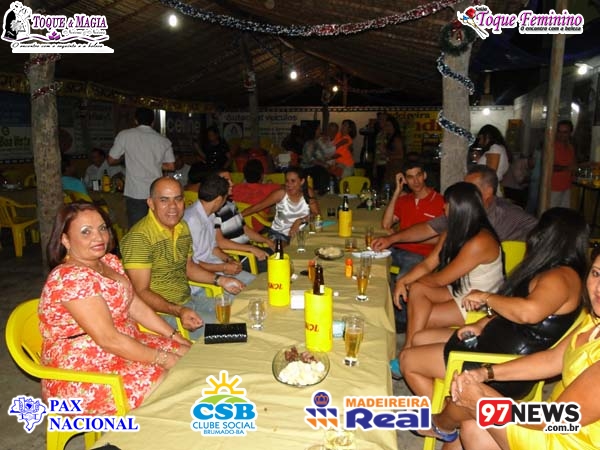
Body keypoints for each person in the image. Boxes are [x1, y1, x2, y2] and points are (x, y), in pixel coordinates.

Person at [417, 231, 594, 450]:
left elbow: (562, 417)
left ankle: (441, 422)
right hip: (555, 423)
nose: (599, 287)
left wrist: (485, 405)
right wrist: (486, 373)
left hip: (563, 438)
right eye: (596, 273)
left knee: (474, 407)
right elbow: (550, 360)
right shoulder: (592, 324)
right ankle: (445, 421)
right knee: (471, 419)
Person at [401, 207, 588, 408]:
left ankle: (445, 415)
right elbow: (514, 307)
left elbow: (528, 313)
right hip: (497, 341)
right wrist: (481, 324)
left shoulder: (560, 278)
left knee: (408, 360)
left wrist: (487, 298)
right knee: (420, 338)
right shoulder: (552, 270)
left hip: (504, 364)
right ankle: (451, 400)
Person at [39, 202, 191, 415]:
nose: (99, 237)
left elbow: (134, 304)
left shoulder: (108, 262)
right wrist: (163, 358)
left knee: (190, 357)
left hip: (123, 344)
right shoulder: (69, 279)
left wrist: (173, 336)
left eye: (102, 228)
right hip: (82, 369)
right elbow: (108, 339)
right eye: (86, 232)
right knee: (168, 383)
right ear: (65, 240)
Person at [119, 177, 244, 340]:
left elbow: (189, 268)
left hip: (189, 301)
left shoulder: (182, 227)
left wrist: (221, 280)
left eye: (177, 199)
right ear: (151, 203)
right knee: (231, 333)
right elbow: (140, 292)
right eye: (164, 200)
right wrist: (179, 311)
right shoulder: (139, 237)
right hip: (161, 315)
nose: (173, 206)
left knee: (244, 312)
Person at [393, 182, 504, 350]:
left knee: (420, 318)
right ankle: (409, 349)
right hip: (459, 290)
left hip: (478, 301)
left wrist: (408, 282)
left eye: (447, 204)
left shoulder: (480, 241)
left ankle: (409, 351)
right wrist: (403, 281)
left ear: (459, 208)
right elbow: (428, 264)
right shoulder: (453, 232)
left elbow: (440, 279)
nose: (443, 207)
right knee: (417, 291)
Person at [371, 165, 537, 252]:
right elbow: (428, 228)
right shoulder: (467, 208)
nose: (463, 191)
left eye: (469, 188)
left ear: (488, 192)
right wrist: (391, 239)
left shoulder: (502, 214)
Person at [108, 107, 175, 228]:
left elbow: (111, 160)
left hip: (135, 192)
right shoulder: (164, 140)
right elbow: (171, 166)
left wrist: (126, 158)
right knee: (157, 228)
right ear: (153, 122)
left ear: (135, 120)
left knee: (137, 229)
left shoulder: (125, 135)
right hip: (157, 192)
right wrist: (154, 163)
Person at [183, 174, 254, 285]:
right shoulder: (191, 221)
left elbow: (213, 248)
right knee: (250, 289)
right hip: (203, 277)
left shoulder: (210, 215)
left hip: (216, 267)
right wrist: (223, 267)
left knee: (256, 282)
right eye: (225, 199)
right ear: (219, 200)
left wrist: (229, 260)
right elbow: (192, 265)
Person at [214, 170, 275, 273]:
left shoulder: (230, 203)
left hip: (248, 249)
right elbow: (220, 242)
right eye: (227, 181)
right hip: (237, 257)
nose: (232, 184)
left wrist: (266, 240)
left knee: (282, 254)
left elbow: (245, 229)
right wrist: (250, 249)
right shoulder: (214, 209)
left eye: (231, 180)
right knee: (277, 266)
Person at [240, 167, 320, 243]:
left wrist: (300, 221)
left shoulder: (308, 192)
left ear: (302, 181)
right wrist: (237, 217)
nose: (289, 184)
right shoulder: (281, 194)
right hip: (279, 233)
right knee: (283, 250)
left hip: (301, 233)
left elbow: (316, 214)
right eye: (287, 181)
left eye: (293, 181)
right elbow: (258, 207)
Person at [476, 125, 510, 193]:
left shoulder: (495, 148)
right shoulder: (499, 148)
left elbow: (490, 173)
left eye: (480, 138)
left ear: (487, 136)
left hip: (488, 188)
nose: (479, 142)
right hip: (491, 187)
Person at [551, 119, 576, 208]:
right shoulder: (551, 146)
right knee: (552, 213)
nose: (561, 135)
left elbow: (573, 165)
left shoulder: (570, 148)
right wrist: (566, 168)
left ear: (570, 133)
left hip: (567, 186)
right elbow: (549, 167)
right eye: (559, 131)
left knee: (564, 213)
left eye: (565, 132)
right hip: (554, 188)